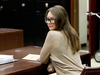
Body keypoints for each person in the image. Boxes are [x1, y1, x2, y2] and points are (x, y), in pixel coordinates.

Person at [39, 5, 84, 75]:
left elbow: (43, 60)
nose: (48, 22)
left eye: (52, 19)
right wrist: (52, 64)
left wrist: (51, 63)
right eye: (47, 19)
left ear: (60, 20)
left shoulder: (52, 34)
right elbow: (62, 56)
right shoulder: (72, 33)